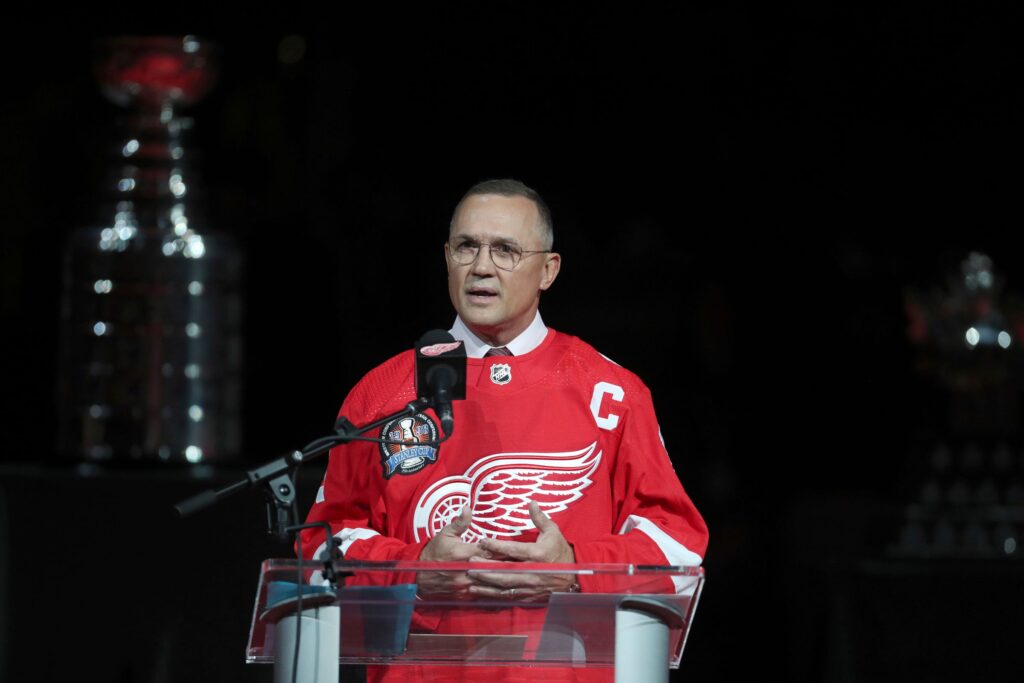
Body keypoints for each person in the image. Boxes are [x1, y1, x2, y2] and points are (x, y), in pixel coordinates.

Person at [300, 178, 709, 681]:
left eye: (506, 250)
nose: (481, 266)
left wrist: (576, 568)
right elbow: (321, 543)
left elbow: (678, 548)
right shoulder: (382, 393)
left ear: (548, 270)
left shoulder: (612, 392)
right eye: (467, 246)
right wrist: (417, 569)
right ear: (446, 256)